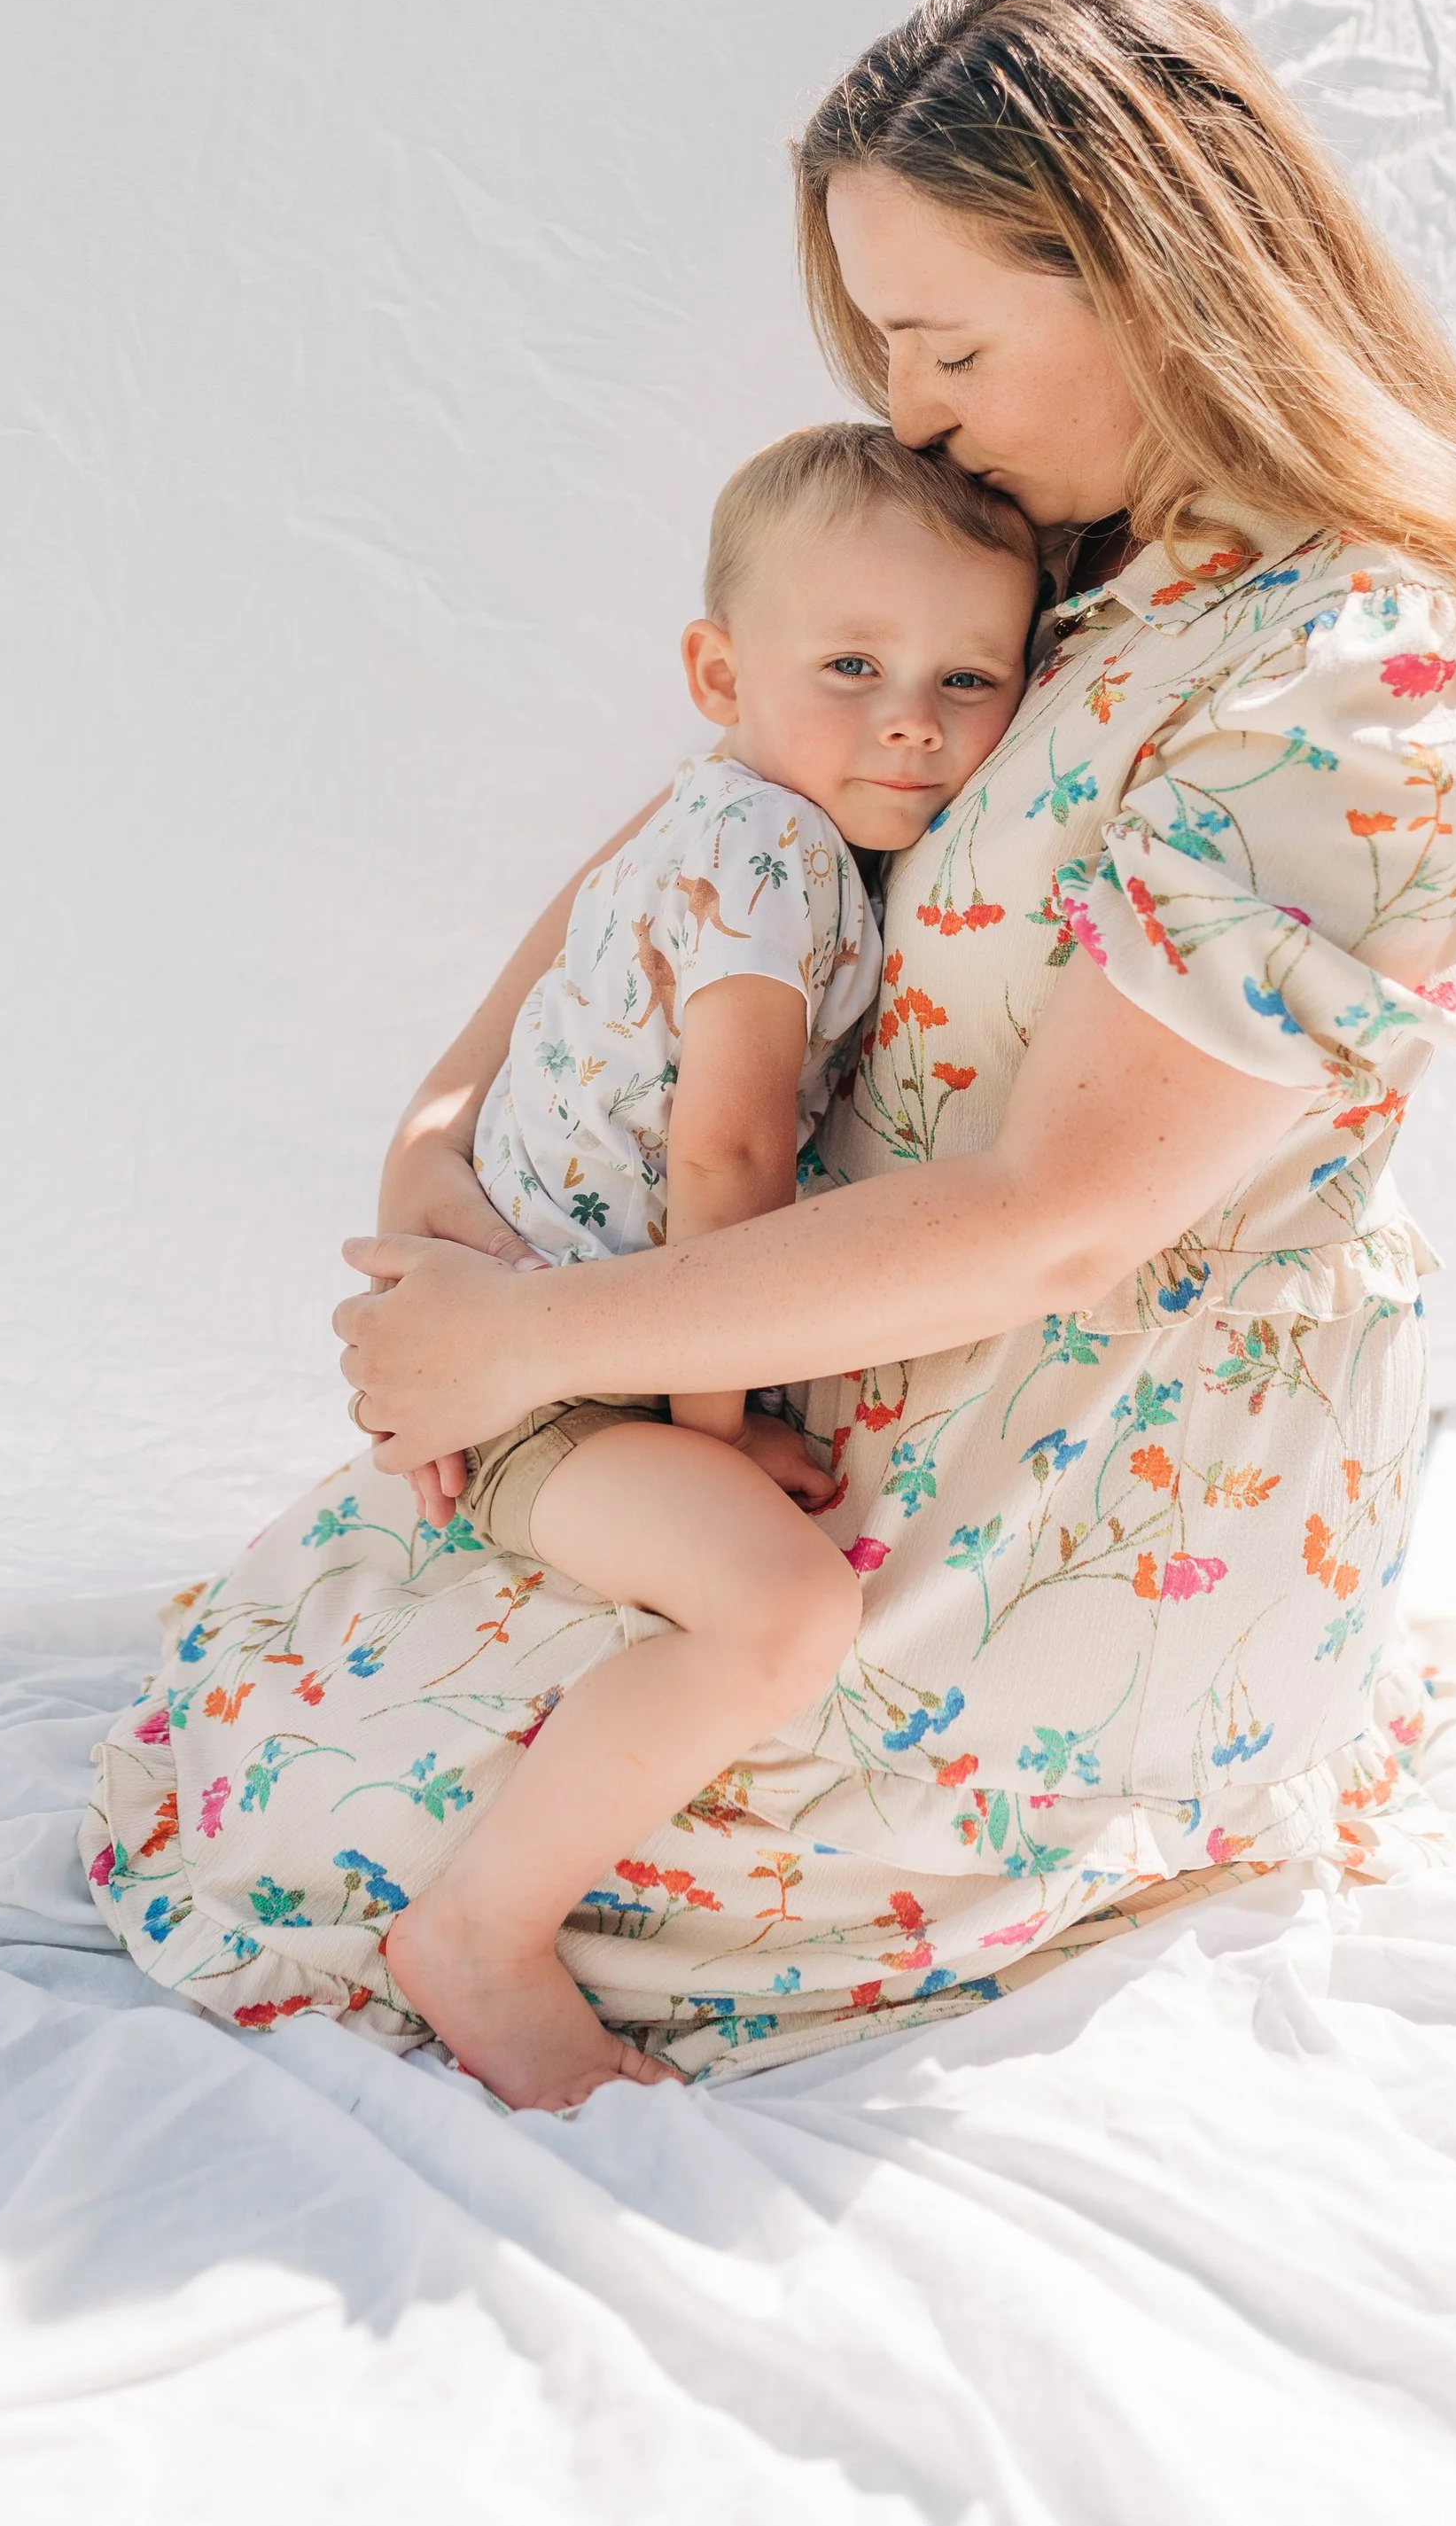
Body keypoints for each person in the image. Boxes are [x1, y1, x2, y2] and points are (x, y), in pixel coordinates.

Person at [85, 0, 1456, 2098]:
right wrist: (435, 1144)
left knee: (366, 1835)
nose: (908, 411)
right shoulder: (1075, 558)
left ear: (1146, 272)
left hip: (1075, 1468)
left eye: (943, 345)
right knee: (292, 1729)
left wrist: (535, 1345)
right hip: (794, 1366)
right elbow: (714, 816)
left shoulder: (1358, 671)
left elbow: (1063, 1219)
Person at [383, 423, 1038, 2106]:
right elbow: (725, 1155)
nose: (914, 715)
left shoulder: (714, 807)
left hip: (552, 1333)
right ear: (716, 668)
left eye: (971, 677)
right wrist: (712, 1423)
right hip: (563, 1378)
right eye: (852, 664)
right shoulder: (777, 856)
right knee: (780, 1610)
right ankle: (480, 1935)